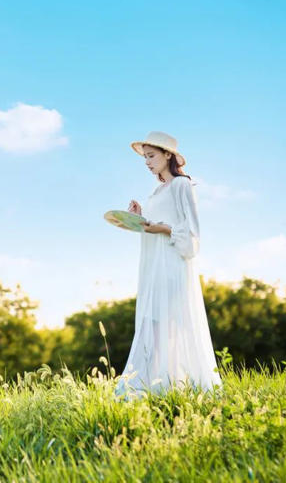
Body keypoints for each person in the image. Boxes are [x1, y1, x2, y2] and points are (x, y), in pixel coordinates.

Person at [113, 131, 222, 400]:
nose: (147, 162)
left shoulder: (182, 185)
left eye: (151, 156)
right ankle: (158, 386)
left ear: (168, 156)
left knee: (163, 323)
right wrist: (140, 218)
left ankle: (162, 387)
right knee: (153, 322)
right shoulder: (157, 190)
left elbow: (191, 234)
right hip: (154, 264)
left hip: (172, 263)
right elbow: (155, 225)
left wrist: (163, 229)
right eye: (145, 158)